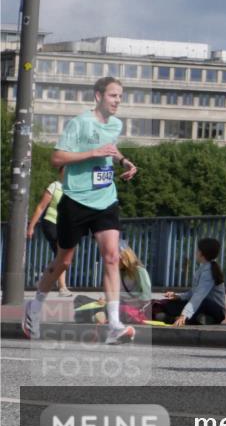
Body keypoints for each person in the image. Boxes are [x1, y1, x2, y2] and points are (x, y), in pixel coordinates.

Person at [22, 76, 139, 343]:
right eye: (113, 96)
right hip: (76, 199)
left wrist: (122, 161)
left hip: (105, 198)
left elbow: (110, 148)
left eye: (120, 96)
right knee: (63, 261)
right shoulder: (79, 123)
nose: (117, 101)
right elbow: (57, 158)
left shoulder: (116, 124)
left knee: (111, 256)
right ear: (98, 96)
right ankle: (35, 307)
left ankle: (114, 325)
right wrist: (92, 152)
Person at [157, 238, 226, 326]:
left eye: (197, 250)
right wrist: (178, 297)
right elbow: (193, 293)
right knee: (169, 305)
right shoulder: (203, 268)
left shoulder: (208, 272)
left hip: (216, 311)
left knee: (198, 304)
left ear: (202, 253)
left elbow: (198, 296)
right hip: (203, 307)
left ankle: (173, 319)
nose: (196, 252)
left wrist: (184, 315)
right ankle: (202, 319)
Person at [26, 168, 70, 296]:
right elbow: (40, 207)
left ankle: (43, 281)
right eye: (66, 170)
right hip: (51, 223)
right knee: (61, 253)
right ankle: (62, 287)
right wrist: (31, 227)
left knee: (61, 257)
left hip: (65, 226)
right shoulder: (55, 186)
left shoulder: (74, 190)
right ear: (60, 172)